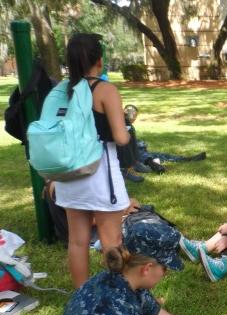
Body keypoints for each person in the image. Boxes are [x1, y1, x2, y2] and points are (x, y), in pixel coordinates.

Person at [54, 33, 130, 288]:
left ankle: (81, 297)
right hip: (100, 175)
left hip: (68, 173)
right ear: (99, 60)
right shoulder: (105, 89)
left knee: (77, 241)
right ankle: (120, 298)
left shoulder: (62, 91)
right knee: (112, 241)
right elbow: (121, 137)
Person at [60, 221, 189, 315]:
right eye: (164, 268)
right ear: (147, 269)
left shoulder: (122, 279)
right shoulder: (119, 312)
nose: (165, 274)